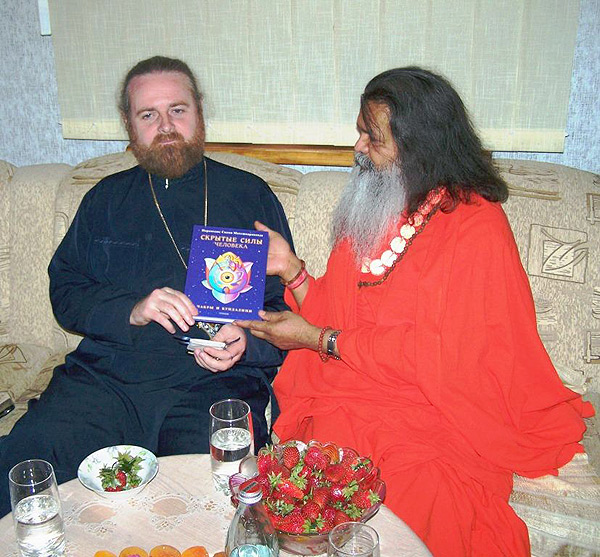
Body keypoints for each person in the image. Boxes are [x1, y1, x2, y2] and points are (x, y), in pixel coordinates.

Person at [236, 67, 594, 556]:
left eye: (372, 136)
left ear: (419, 144)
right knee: (316, 479)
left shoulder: (477, 226)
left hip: (438, 407)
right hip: (352, 392)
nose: (358, 147)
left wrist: (315, 340)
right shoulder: (373, 206)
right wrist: (293, 272)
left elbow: (444, 357)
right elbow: (345, 311)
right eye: (360, 131)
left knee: (417, 495)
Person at [0, 56, 293, 516]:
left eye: (178, 109)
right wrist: (131, 309)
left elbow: (282, 312)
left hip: (213, 384)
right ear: (129, 125)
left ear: (199, 112)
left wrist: (244, 342)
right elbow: (66, 291)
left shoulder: (249, 195)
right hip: (107, 380)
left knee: (209, 503)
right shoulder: (104, 199)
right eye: (148, 115)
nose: (166, 126)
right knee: (21, 465)